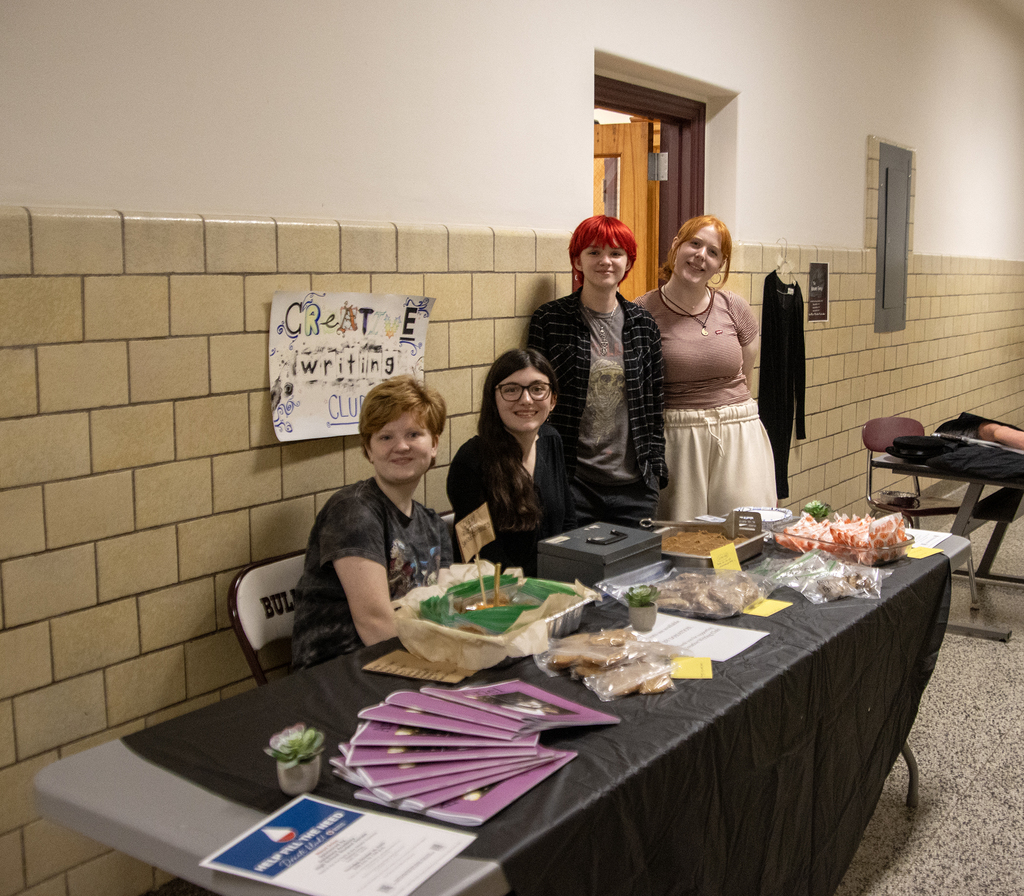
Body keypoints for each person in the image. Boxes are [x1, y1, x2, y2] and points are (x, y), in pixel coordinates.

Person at [291, 375, 453, 670]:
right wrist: (451, 665)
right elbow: (375, 626)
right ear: (368, 449)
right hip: (341, 671)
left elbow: (441, 610)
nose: (401, 446)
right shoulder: (353, 512)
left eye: (414, 434)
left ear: (434, 445)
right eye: (385, 437)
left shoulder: (434, 525)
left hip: (405, 659)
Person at [528, 215, 667, 527]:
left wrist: (654, 470)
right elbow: (535, 401)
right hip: (572, 484)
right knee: (574, 573)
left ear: (628, 262)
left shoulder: (644, 324)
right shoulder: (550, 320)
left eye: (616, 253)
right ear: (577, 259)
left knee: (635, 573)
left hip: (635, 487)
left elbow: (655, 404)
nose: (605, 261)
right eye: (593, 252)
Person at [635, 215, 776, 520]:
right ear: (676, 246)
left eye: (712, 252)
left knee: (747, 528)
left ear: (720, 264)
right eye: (694, 244)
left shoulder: (734, 307)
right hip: (678, 438)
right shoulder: (642, 311)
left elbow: (746, 376)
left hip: (738, 432)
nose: (701, 256)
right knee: (682, 538)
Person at [446, 349, 575, 575]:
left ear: (553, 399)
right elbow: (478, 554)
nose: (526, 400)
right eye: (511, 390)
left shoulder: (551, 440)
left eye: (537, 389)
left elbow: (568, 524)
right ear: (493, 399)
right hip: (496, 598)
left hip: (553, 588)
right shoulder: (470, 461)